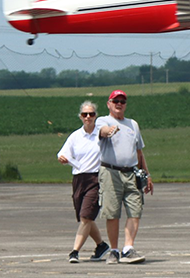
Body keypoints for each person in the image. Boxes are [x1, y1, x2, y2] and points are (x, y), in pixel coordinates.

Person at [96, 90, 154, 265]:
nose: (119, 104)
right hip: (110, 172)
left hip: (132, 172)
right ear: (109, 104)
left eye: (122, 101)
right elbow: (102, 131)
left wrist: (148, 174)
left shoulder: (133, 124)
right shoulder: (103, 121)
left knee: (135, 210)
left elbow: (139, 151)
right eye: (116, 101)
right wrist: (109, 131)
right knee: (113, 212)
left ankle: (128, 248)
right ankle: (114, 250)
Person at [57, 101, 110, 263]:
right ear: (80, 117)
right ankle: (101, 245)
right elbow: (62, 153)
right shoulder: (75, 136)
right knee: (84, 217)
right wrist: (62, 158)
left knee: (86, 217)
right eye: (85, 114)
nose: (88, 117)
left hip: (96, 178)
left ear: (96, 116)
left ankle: (74, 251)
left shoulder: (100, 135)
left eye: (91, 114)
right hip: (79, 179)